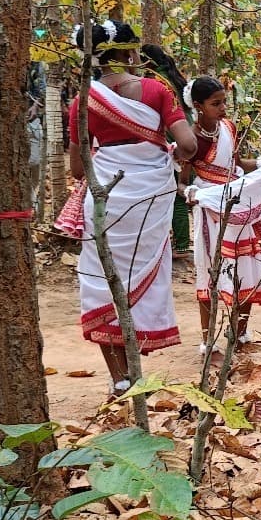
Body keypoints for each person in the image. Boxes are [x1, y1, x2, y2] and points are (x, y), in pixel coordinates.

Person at [68, 20, 197, 395]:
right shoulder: (157, 91)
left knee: (102, 280)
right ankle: (136, 373)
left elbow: (77, 169)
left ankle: (120, 378)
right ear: (128, 52)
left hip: (105, 197)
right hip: (150, 200)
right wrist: (168, 151)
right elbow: (188, 146)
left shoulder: (82, 100)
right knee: (143, 278)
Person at [181, 76, 261, 354]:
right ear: (198, 106)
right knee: (210, 271)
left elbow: (237, 164)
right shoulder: (192, 140)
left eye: (224, 102)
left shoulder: (228, 128)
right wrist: (192, 193)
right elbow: (181, 182)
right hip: (210, 214)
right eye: (216, 104)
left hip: (236, 207)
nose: (223, 108)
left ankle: (240, 333)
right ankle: (208, 341)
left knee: (244, 269)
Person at [140, 44, 194, 259]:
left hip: (174, 143)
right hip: (186, 138)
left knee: (176, 195)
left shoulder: (155, 82)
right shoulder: (172, 77)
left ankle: (181, 246)